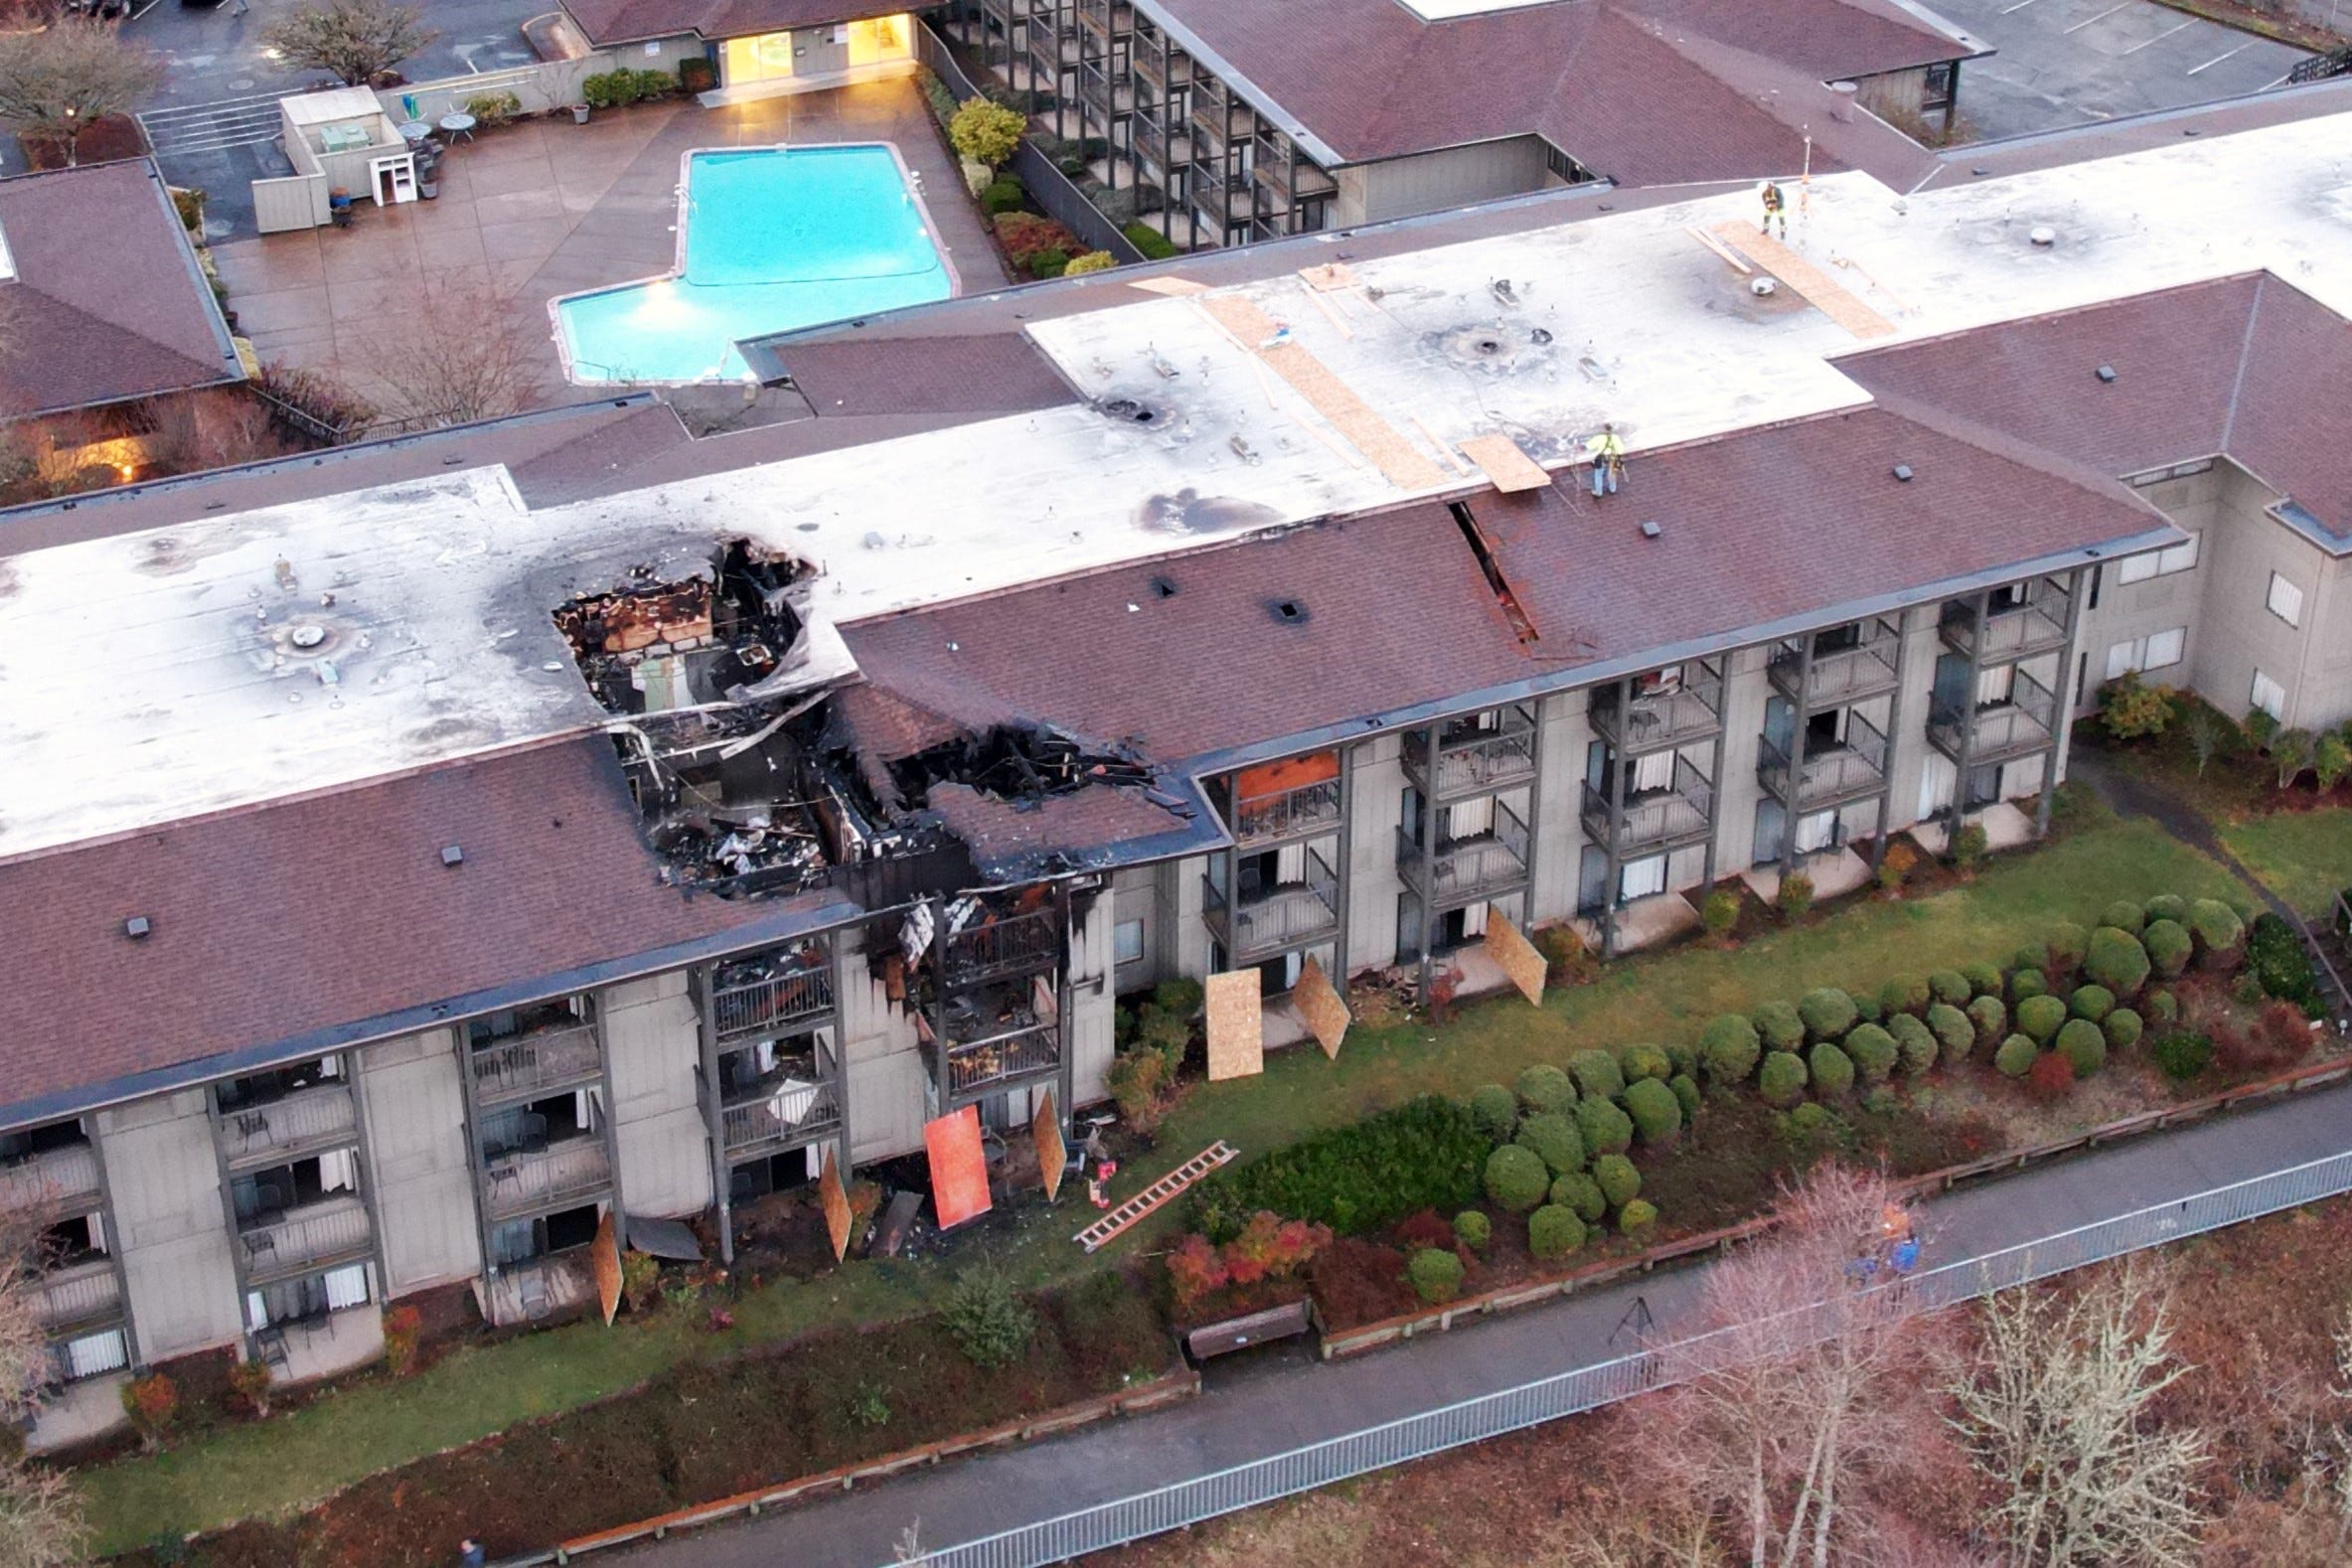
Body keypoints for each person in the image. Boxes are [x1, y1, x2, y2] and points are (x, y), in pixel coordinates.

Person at [1584, 422, 1626, 498]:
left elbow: (1589, 446)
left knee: (1598, 475)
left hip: (1602, 458)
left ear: (1604, 430)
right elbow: (1621, 450)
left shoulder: (1599, 438)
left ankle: (1598, 492)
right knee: (1612, 473)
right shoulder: (1616, 437)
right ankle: (1613, 489)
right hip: (1613, 458)